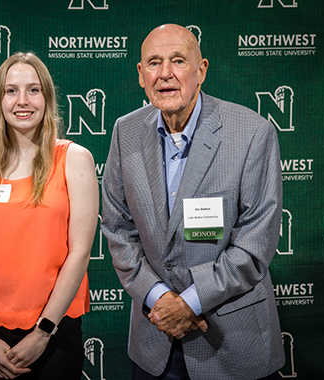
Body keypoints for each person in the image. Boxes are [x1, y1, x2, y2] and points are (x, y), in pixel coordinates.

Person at [101, 24, 285, 380]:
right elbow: (117, 227)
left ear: (201, 70)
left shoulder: (251, 132)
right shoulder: (126, 131)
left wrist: (189, 303)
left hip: (232, 344)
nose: (165, 74)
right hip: (155, 342)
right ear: (141, 74)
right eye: (154, 63)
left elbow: (254, 243)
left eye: (178, 61)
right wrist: (158, 298)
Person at [0, 52, 99, 379]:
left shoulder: (74, 159)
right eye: (11, 91)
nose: (23, 101)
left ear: (47, 98)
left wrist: (42, 333)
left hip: (54, 334)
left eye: (33, 90)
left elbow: (79, 253)